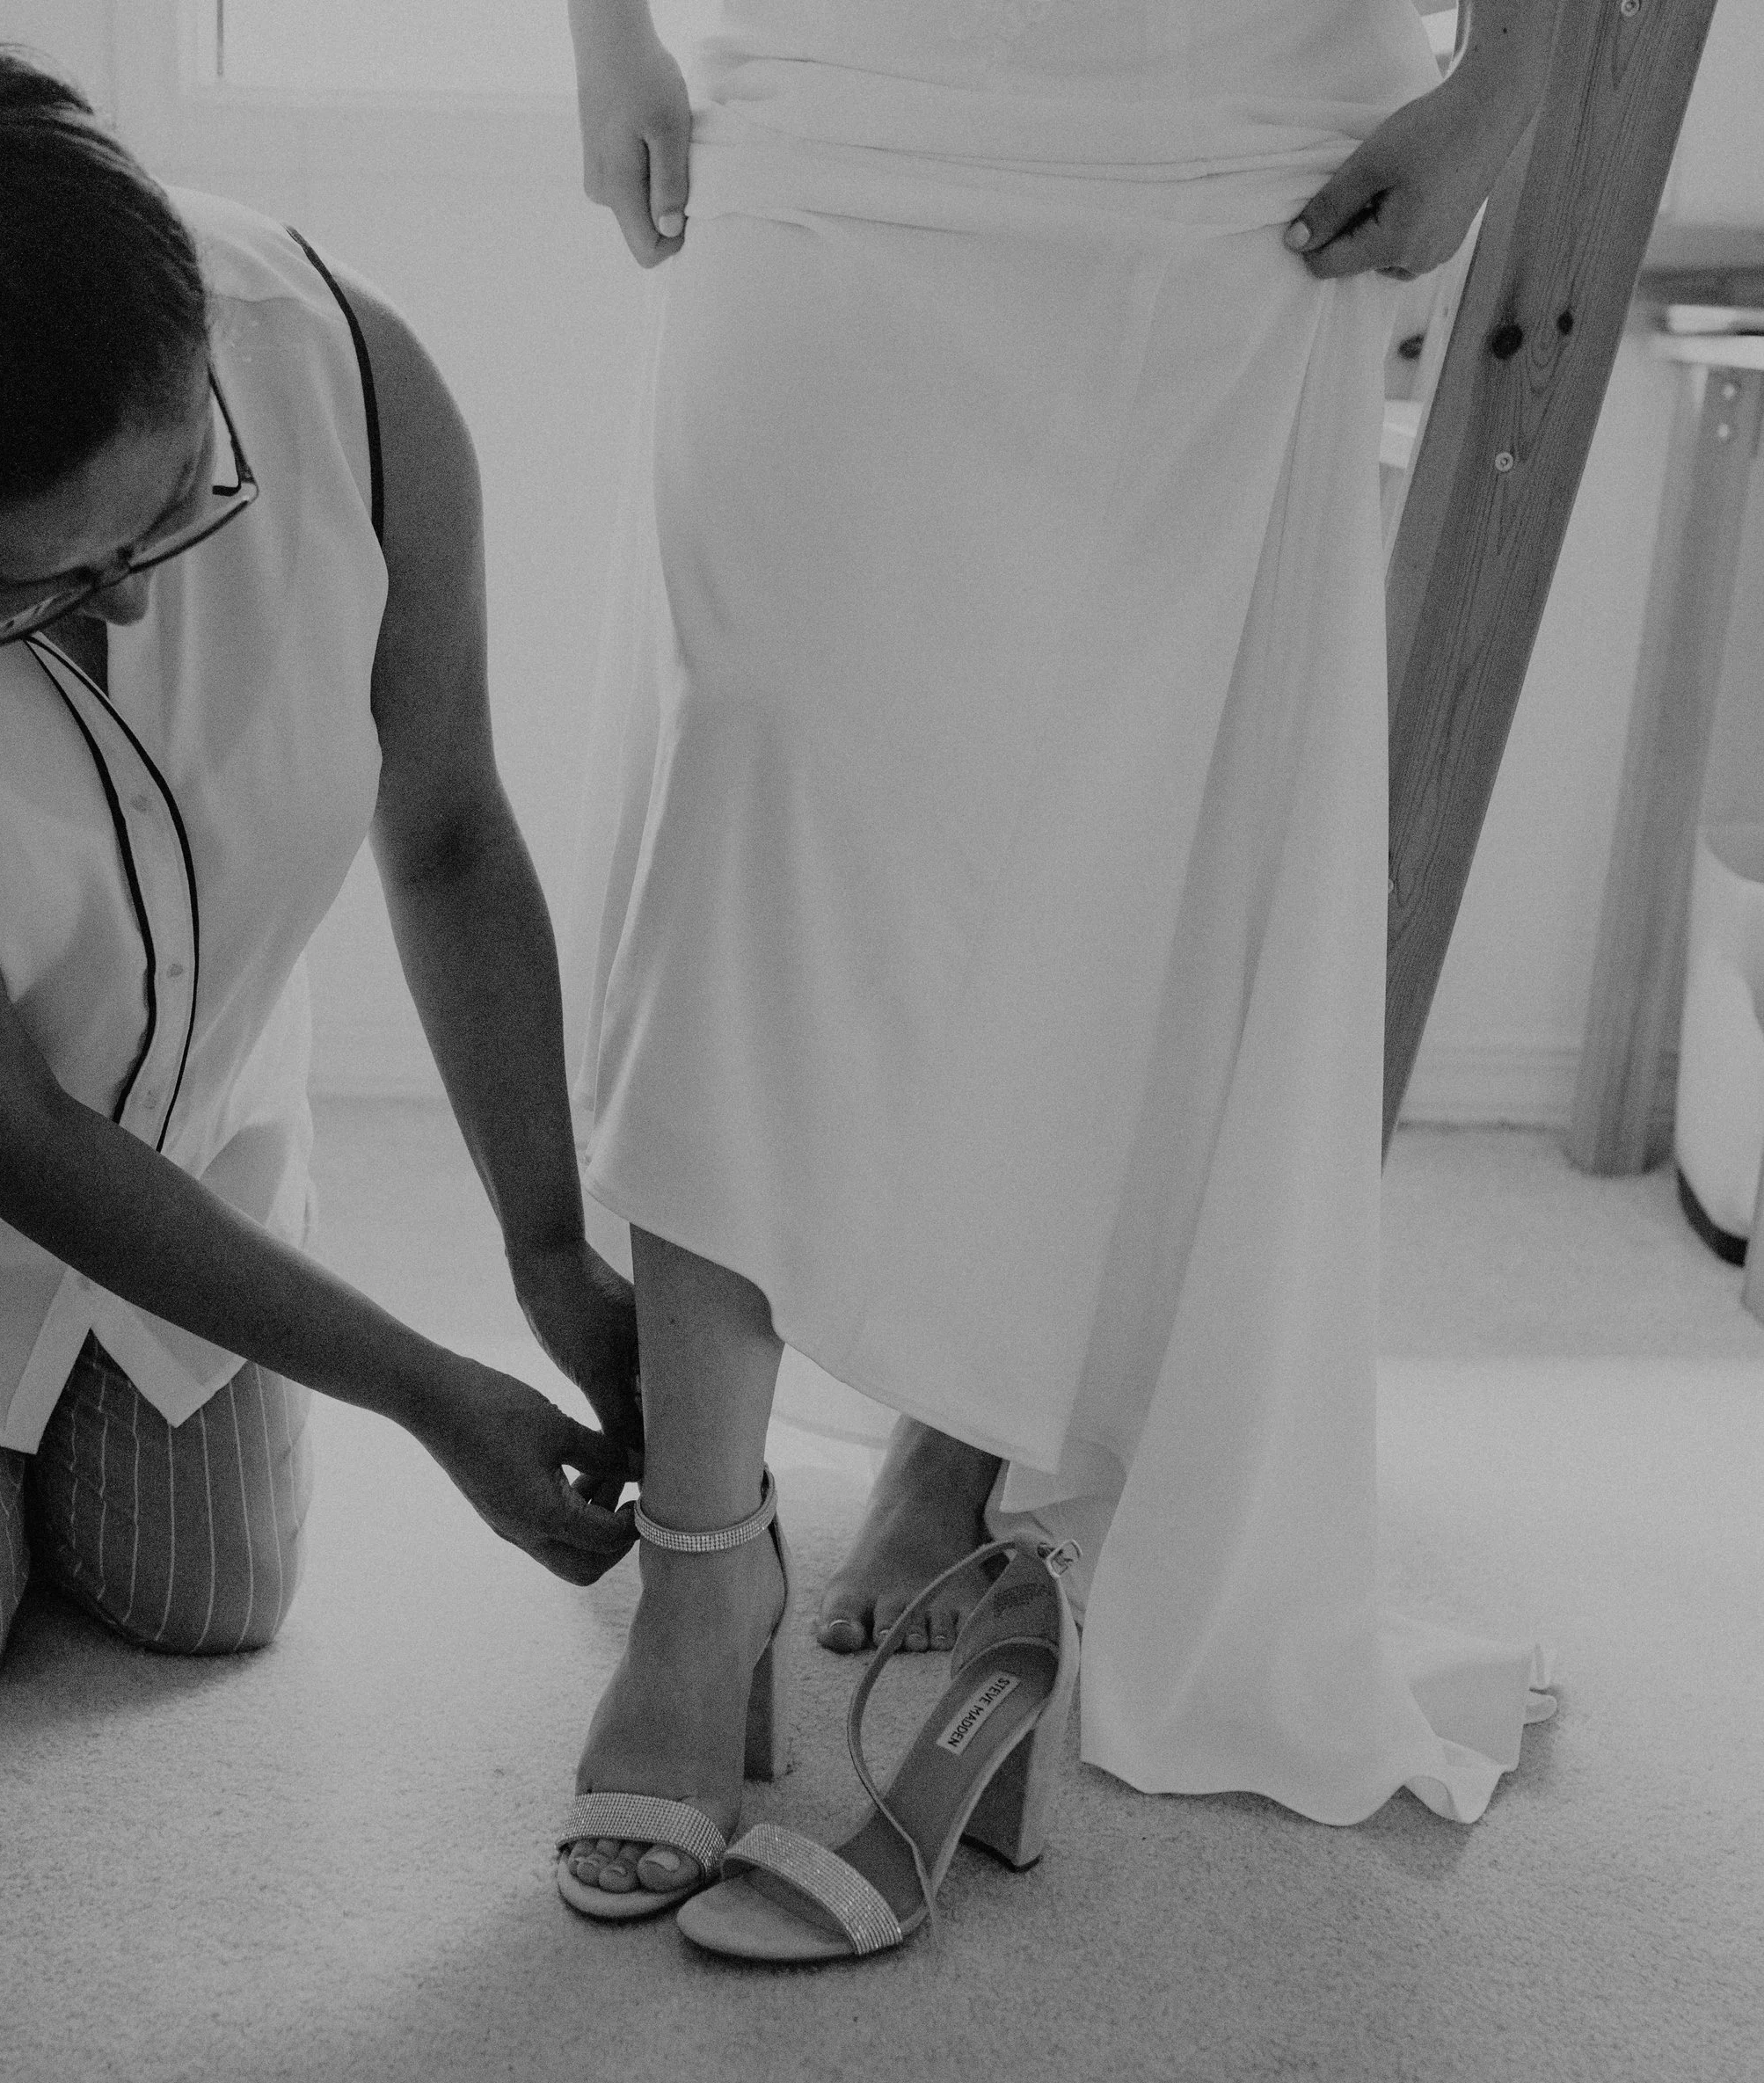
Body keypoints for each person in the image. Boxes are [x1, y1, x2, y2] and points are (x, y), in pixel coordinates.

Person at [556, 0, 1556, 1935]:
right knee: (751, 758)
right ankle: (701, 1564)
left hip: (1220, 118)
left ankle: (964, 1429)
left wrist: (1502, 79)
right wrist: (598, 33)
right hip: (839, 88)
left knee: (1096, 796)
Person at [0, 0, 642, 1707]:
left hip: (174, 1073)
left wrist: (544, 1249)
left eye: (179, 500)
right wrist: (425, 1386)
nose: (140, 595)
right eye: (39, 587)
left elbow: (439, 829)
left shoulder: (350, 368)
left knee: (200, 1597)